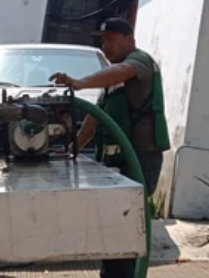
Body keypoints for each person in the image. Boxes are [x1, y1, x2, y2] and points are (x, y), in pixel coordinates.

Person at [48, 17, 170, 278]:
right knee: (113, 223)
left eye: (111, 39)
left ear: (129, 39)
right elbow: (95, 116)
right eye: (102, 41)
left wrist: (79, 82)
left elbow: (123, 70)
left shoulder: (139, 62)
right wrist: (72, 148)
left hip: (139, 158)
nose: (106, 46)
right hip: (117, 161)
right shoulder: (111, 81)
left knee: (126, 221)